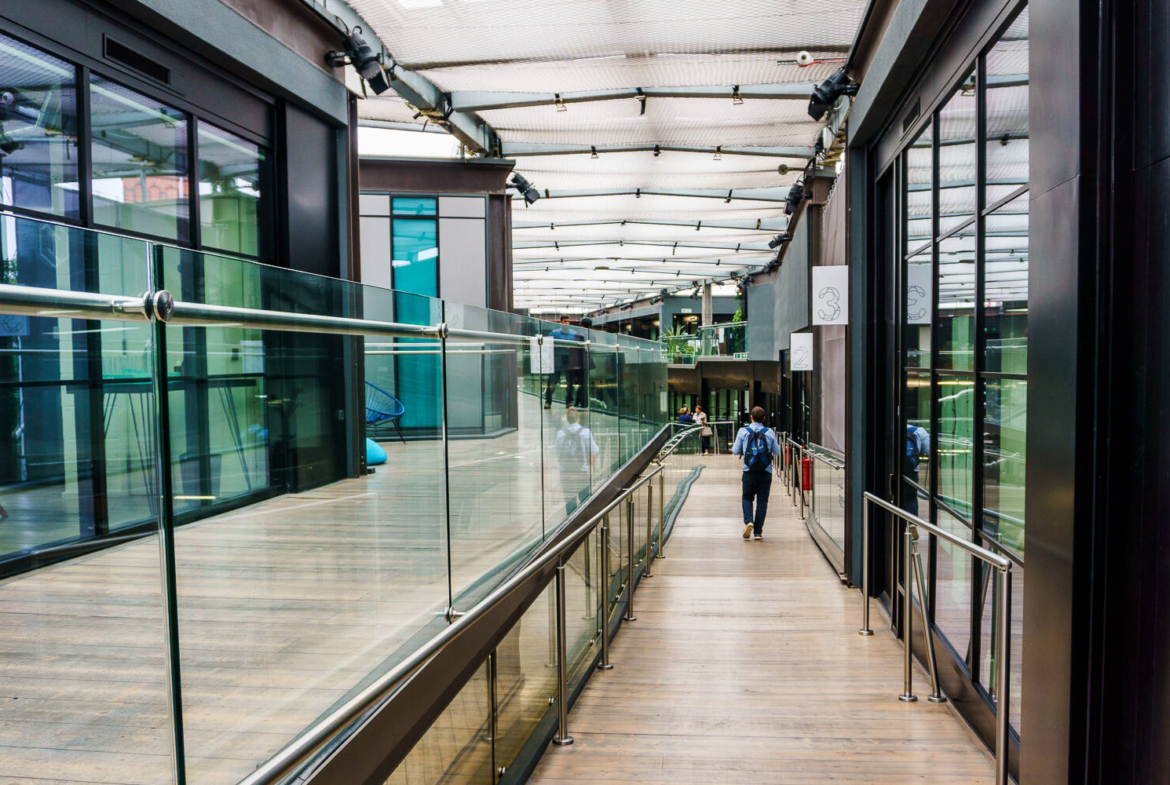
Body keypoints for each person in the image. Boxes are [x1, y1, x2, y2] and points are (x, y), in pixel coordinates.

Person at [731, 406, 782, 540]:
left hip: (749, 471)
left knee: (747, 497)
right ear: (764, 418)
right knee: (762, 501)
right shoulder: (769, 432)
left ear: (751, 417)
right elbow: (777, 452)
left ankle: (749, 521)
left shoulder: (743, 431)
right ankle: (758, 532)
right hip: (766, 471)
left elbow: (735, 450)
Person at [553, 406, 599, 514]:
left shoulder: (561, 434)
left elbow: (556, 452)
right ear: (578, 418)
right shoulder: (585, 432)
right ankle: (584, 523)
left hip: (565, 472)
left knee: (569, 501)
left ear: (567, 420)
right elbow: (595, 450)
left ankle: (571, 526)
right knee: (585, 499)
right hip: (581, 471)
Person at [545, 316, 586, 409]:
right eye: (565, 321)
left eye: (568, 321)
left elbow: (578, 346)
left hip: (570, 359)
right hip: (557, 358)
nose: (567, 323)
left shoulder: (574, 333)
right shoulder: (554, 333)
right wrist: (562, 346)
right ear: (560, 322)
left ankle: (569, 402)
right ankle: (548, 401)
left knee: (570, 381)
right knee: (552, 381)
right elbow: (548, 346)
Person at [904, 423, 930, 516]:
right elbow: (928, 451)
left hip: (889, 469)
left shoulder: (889, 427)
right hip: (911, 471)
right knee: (911, 498)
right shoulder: (919, 431)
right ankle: (912, 523)